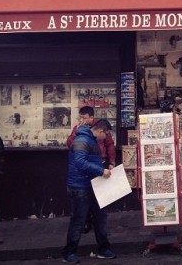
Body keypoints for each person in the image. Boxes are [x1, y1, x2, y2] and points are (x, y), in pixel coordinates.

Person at [62, 119, 116, 263]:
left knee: (100, 218)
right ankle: (69, 253)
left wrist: (105, 168)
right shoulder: (81, 140)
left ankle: (104, 249)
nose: (107, 137)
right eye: (107, 134)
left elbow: (90, 160)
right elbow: (80, 162)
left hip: (93, 185)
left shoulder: (91, 141)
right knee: (79, 220)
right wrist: (101, 170)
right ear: (100, 131)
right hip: (80, 187)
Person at [66, 106, 116, 234]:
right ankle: (86, 222)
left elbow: (109, 145)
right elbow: (70, 144)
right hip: (87, 169)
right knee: (85, 197)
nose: (82, 119)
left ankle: (98, 222)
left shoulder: (101, 127)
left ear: (91, 117)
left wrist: (111, 162)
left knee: (100, 197)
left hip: (101, 164)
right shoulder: (78, 131)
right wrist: (75, 131)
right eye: (80, 117)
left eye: (84, 117)